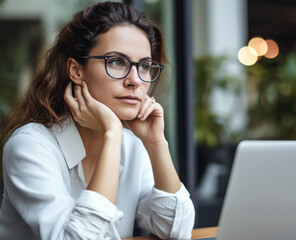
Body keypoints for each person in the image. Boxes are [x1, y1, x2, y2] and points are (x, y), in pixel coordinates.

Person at [0, 2, 195, 239]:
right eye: (116, 62)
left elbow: (176, 231)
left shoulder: (133, 146)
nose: (135, 80)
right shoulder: (30, 146)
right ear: (76, 70)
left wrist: (156, 144)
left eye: (144, 66)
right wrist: (112, 133)